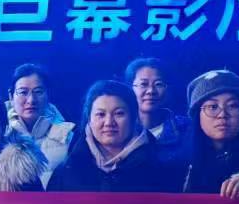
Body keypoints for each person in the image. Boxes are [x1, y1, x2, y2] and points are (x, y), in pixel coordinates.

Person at [48, 80, 185, 193]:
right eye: (101, 114)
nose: (109, 122)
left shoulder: (161, 168)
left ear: (133, 117)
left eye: (119, 113)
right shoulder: (66, 171)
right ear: (89, 119)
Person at [5, 63, 72, 184]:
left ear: (48, 95)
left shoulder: (68, 136)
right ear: (11, 96)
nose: (31, 100)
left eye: (38, 91)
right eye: (23, 92)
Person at [126, 56, 188, 161]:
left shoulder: (186, 129)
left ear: (168, 89)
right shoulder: (121, 130)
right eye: (143, 84)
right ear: (131, 89)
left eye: (158, 84)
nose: (151, 91)